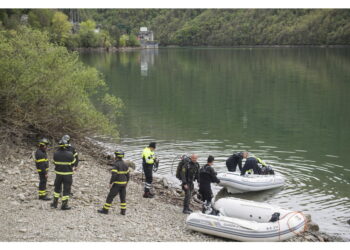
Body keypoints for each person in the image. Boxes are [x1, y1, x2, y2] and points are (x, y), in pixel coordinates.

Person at [98, 150, 129, 215]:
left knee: (110, 196)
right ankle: (123, 211)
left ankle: (105, 210)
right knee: (123, 197)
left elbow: (114, 175)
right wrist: (127, 182)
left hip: (117, 184)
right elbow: (128, 175)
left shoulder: (116, 164)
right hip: (124, 183)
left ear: (116, 156)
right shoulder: (125, 164)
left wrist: (111, 182)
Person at [51, 139, 76, 210]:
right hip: (68, 175)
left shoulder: (55, 154)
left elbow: (54, 163)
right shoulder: (70, 154)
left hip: (58, 175)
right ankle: (64, 205)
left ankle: (54, 204)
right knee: (66, 190)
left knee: (57, 189)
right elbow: (73, 164)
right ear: (66, 146)